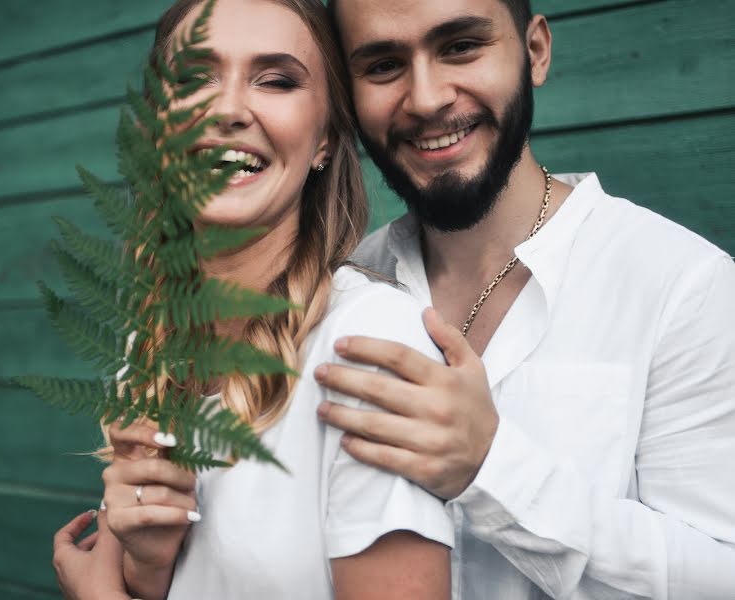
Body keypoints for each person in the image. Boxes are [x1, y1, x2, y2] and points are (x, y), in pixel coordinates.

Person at [312, 0, 735, 597]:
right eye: (383, 65)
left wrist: (493, 469)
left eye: (460, 46)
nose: (427, 98)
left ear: (535, 51)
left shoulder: (679, 285)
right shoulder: (338, 296)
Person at [51, 0, 454, 598]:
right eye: (193, 78)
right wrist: (148, 566)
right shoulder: (150, 344)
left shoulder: (368, 346)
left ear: (325, 140)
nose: (229, 109)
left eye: (277, 80)